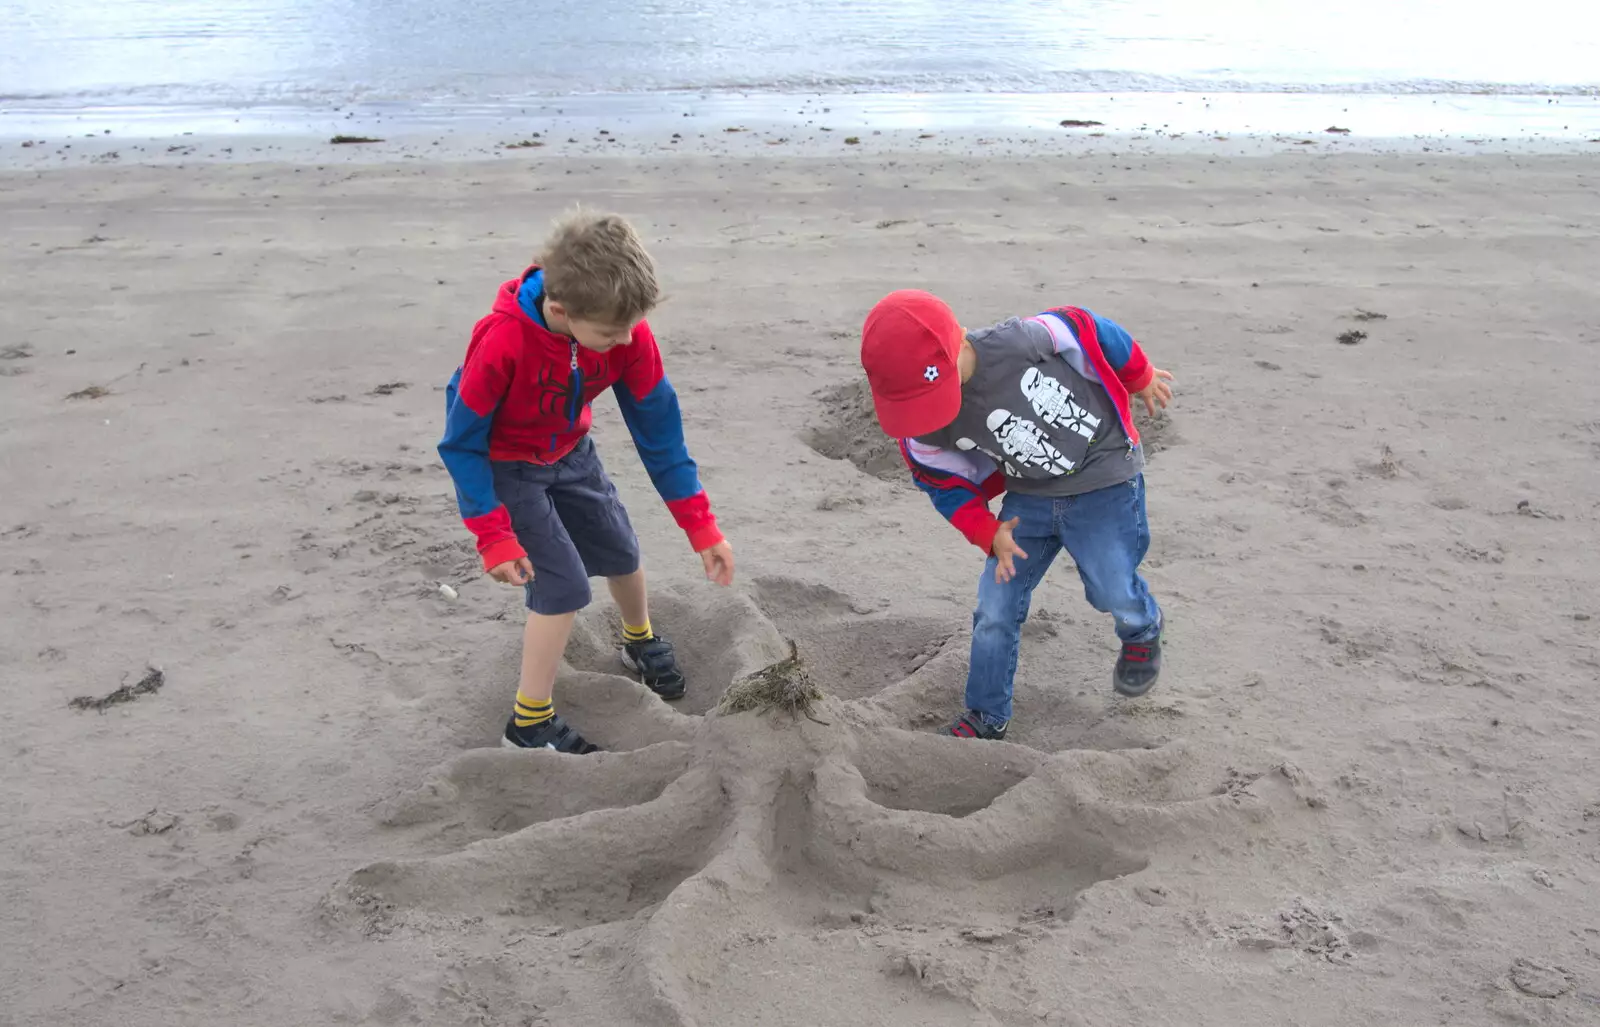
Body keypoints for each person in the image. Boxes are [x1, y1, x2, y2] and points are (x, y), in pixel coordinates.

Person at [438, 211, 734, 753]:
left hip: (573, 453)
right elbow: (461, 442)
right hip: (509, 466)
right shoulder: (503, 341)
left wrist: (702, 526)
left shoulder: (627, 334)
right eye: (609, 332)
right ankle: (528, 724)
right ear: (559, 309)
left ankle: (637, 640)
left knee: (621, 550)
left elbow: (659, 431)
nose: (624, 341)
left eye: (631, 328)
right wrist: (492, 534)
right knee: (564, 587)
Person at [859, 289, 1175, 740]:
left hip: (1104, 475)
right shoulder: (925, 428)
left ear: (961, 341)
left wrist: (1139, 375)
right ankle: (987, 716)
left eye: (934, 391)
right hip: (1029, 496)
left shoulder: (1019, 341)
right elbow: (940, 481)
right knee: (994, 606)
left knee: (1111, 589)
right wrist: (987, 532)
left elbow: (1090, 328)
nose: (929, 413)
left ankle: (1142, 628)